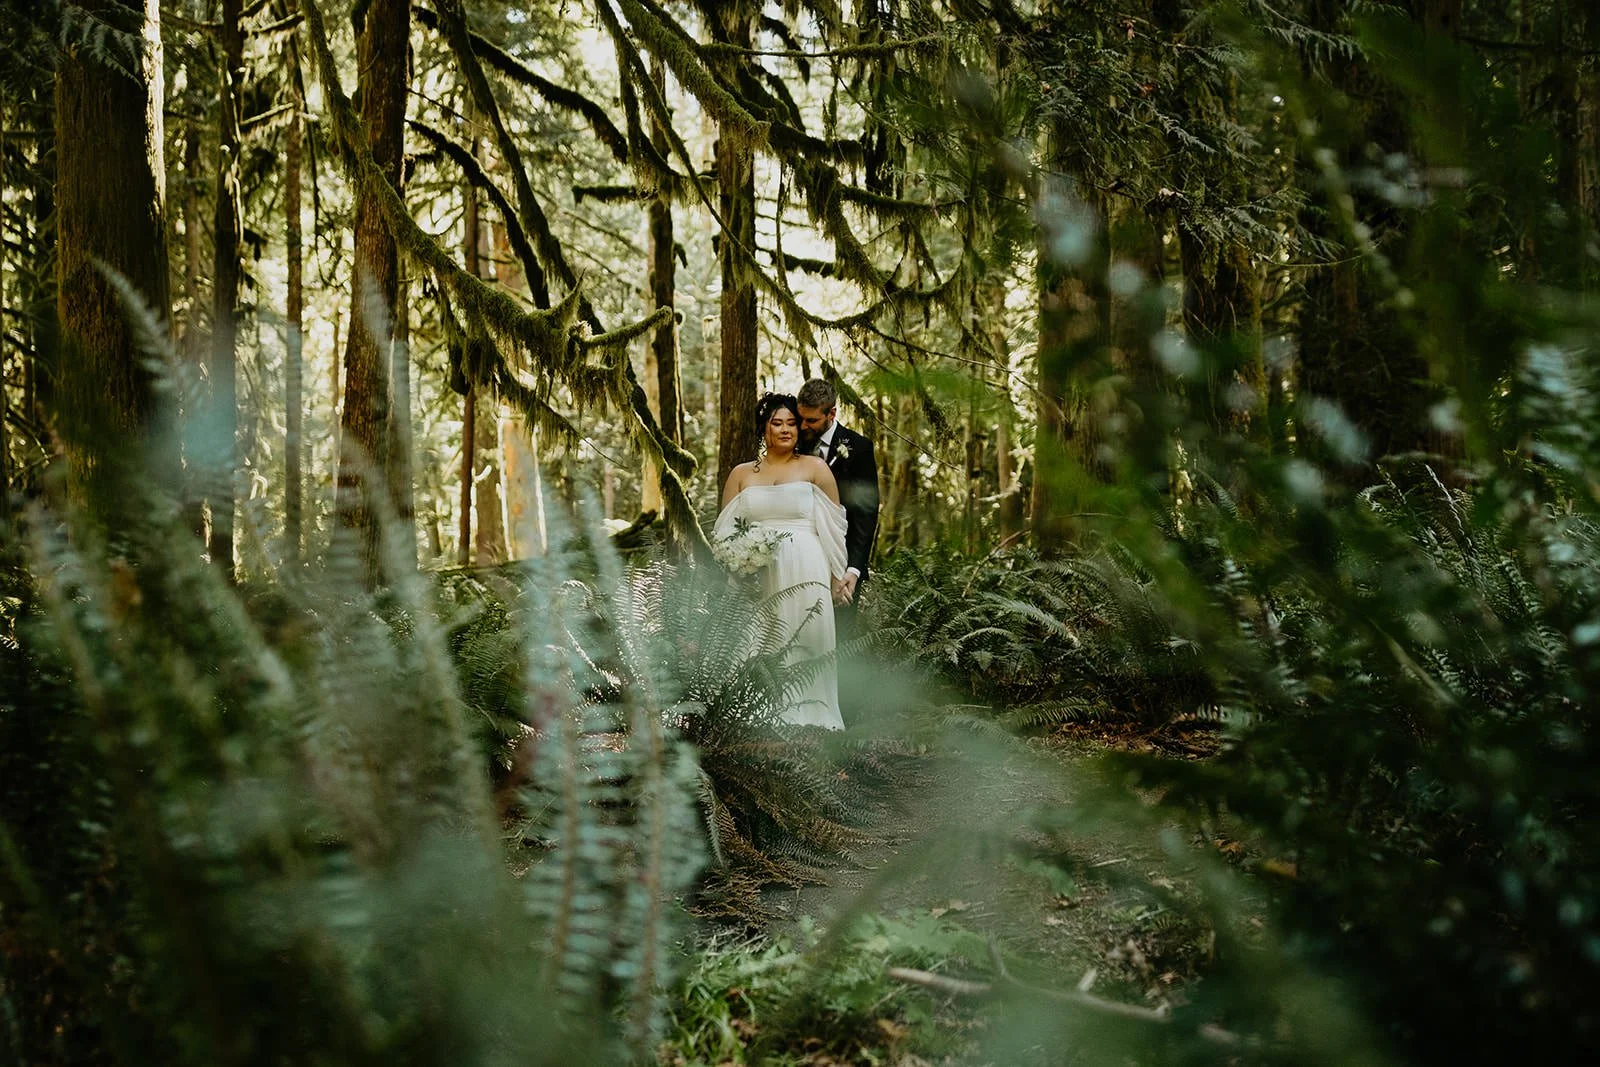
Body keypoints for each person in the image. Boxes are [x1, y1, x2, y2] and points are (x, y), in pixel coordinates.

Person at [714, 393, 849, 730]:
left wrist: (837, 574)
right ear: (764, 428)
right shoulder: (741, 474)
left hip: (807, 565)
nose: (786, 429)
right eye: (777, 423)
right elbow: (725, 528)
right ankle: (759, 714)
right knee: (760, 639)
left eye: (792, 423)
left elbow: (835, 525)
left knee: (806, 638)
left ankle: (813, 715)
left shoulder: (815, 468)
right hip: (758, 571)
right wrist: (740, 561)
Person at [795, 379, 879, 631]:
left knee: (839, 637)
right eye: (801, 418)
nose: (803, 425)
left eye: (811, 420)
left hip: (842, 561)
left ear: (831, 413)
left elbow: (865, 514)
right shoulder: (795, 443)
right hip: (800, 558)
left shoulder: (859, 448)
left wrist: (853, 569)